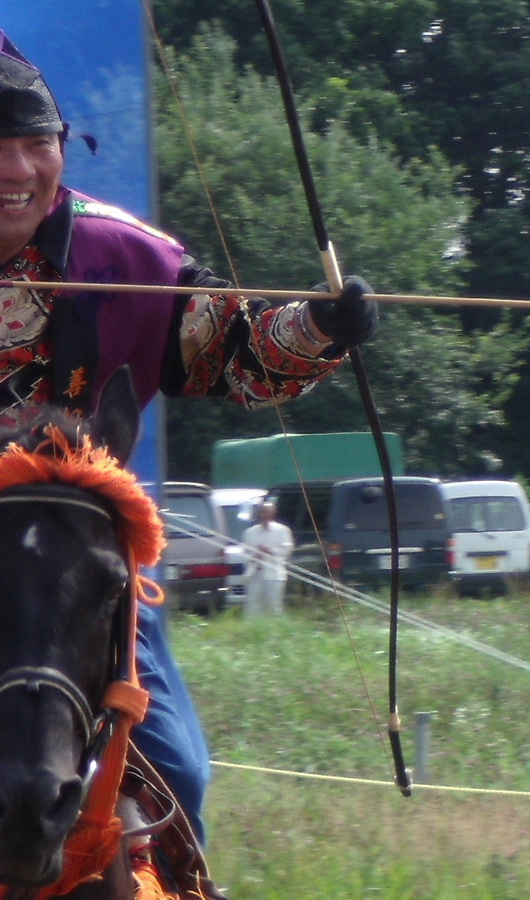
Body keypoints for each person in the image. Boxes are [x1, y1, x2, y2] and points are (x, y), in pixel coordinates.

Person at [0, 32, 377, 849]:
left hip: (81, 582)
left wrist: (319, 326)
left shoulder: (123, 256)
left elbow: (236, 353)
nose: (16, 172)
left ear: (63, 150)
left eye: (36, 146)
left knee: (178, 776)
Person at [241, 501, 294, 616]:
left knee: (274, 607)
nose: (265, 515)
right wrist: (255, 555)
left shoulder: (282, 530)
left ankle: (275, 630)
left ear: (273, 513)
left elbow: (287, 550)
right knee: (253, 608)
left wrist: (269, 550)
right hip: (255, 574)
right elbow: (245, 553)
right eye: (262, 512)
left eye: (267, 512)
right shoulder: (250, 532)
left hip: (274, 574)